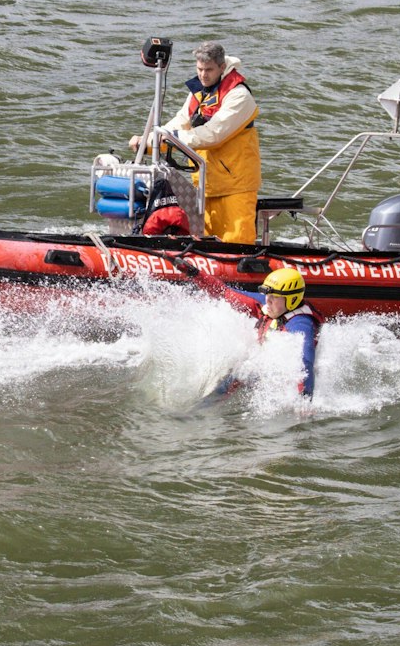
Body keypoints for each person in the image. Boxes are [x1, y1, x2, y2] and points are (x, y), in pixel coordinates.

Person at [128, 42, 260, 244]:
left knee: (236, 243)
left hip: (236, 186)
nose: (203, 75)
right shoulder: (200, 92)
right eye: (199, 69)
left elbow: (212, 134)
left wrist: (170, 137)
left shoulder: (239, 96)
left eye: (209, 70)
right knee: (207, 243)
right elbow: (181, 122)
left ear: (222, 67)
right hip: (206, 184)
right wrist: (150, 142)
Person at [185, 264, 320, 399]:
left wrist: (305, 401)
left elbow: (305, 364)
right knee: (234, 368)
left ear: (293, 299)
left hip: (283, 376)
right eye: (267, 295)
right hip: (264, 363)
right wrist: (195, 273)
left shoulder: (301, 325)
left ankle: (201, 411)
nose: (268, 300)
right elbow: (224, 292)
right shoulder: (267, 305)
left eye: (274, 296)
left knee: (241, 373)